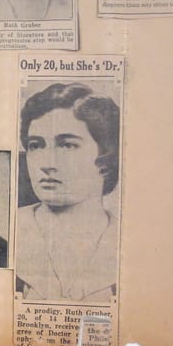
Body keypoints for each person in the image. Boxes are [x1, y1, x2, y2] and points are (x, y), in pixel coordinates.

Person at [14, 83, 119, 302]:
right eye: (36, 145)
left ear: (106, 154)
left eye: (67, 145)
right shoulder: (9, 233)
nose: (47, 163)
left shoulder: (129, 241)